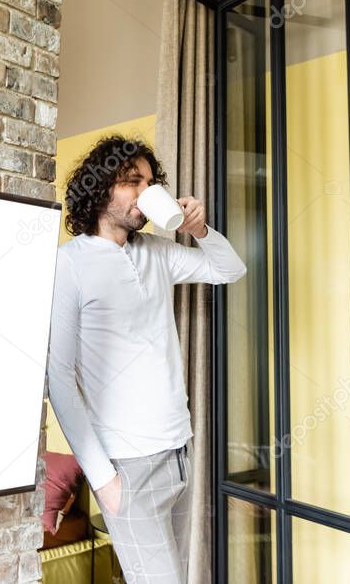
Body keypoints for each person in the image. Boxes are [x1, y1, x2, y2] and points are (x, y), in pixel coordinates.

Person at [46, 134, 247, 583]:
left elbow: (229, 270)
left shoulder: (156, 252)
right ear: (101, 188)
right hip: (126, 466)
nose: (146, 192)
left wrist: (200, 231)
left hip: (180, 450)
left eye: (151, 182)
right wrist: (103, 480)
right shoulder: (71, 264)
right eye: (132, 181)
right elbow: (59, 377)